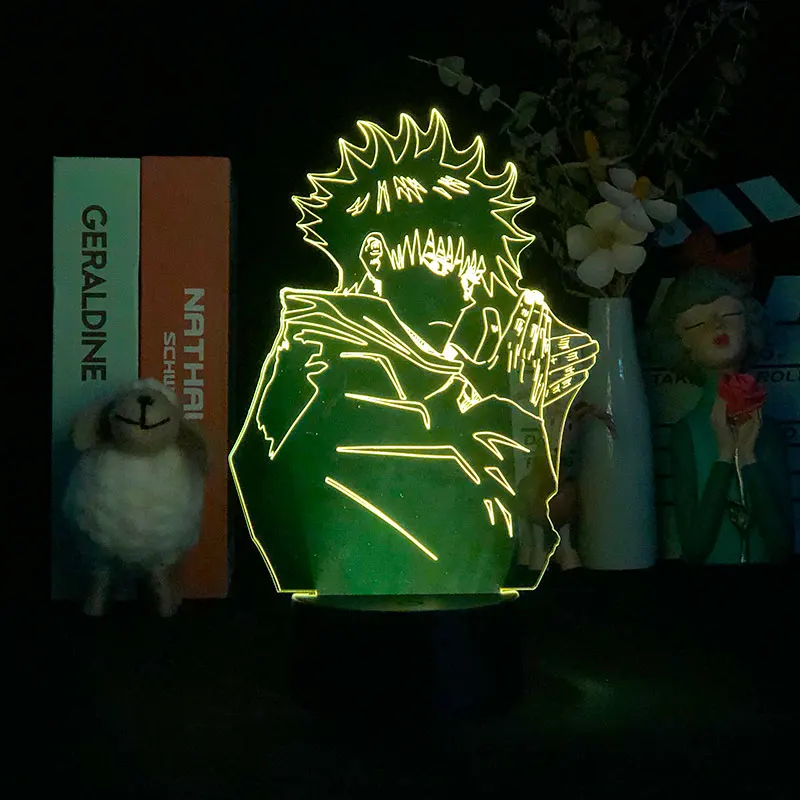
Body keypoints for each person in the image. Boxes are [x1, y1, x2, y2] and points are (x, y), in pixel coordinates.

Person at [229, 110, 598, 596]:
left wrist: (534, 412)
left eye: (474, 276)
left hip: (459, 619)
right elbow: (466, 534)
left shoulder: (446, 376)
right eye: (445, 264)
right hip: (363, 614)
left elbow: (526, 544)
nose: (464, 293)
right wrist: (514, 406)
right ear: (375, 256)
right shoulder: (327, 359)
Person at [649, 230, 792, 565]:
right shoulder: (685, 434)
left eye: (729, 314)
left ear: (749, 322)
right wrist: (725, 456)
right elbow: (694, 547)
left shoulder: (768, 431)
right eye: (697, 322)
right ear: (680, 342)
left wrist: (749, 457)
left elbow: (782, 546)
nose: (716, 326)